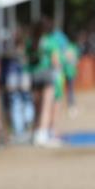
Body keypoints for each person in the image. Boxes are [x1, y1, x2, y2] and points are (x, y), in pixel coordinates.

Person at [29, 17, 62, 147]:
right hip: (47, 74)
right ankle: (43, 133)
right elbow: (55, 60)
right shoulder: (51, 41)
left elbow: (27, 58)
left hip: (34, 74)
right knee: (46, 106)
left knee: (37, 106)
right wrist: (59, 70)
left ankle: (36, 131)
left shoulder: (31, 41)